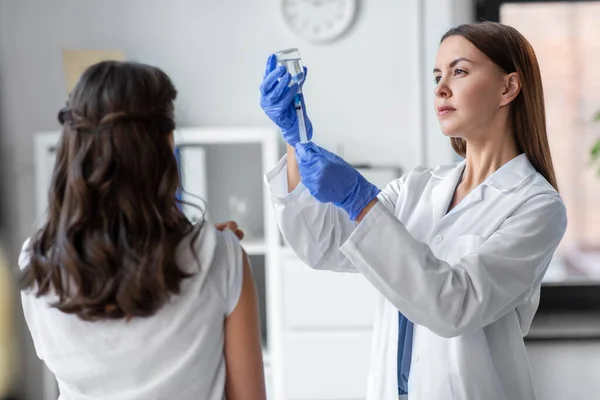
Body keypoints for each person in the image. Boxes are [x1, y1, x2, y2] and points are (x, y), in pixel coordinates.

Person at [260, 21, 567, 400]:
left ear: (508, 87)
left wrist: (360, 199)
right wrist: (296, 138)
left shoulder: (537, 206)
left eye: (459, 71)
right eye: (437, 75)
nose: (440, 87)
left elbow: (454, 305)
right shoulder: (417, 187)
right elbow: (323, 243)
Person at [19, 61, 266, 400]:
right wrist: (212, 250)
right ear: (165, 145)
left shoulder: (36, 261)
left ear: (73, 147)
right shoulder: (222, 257)